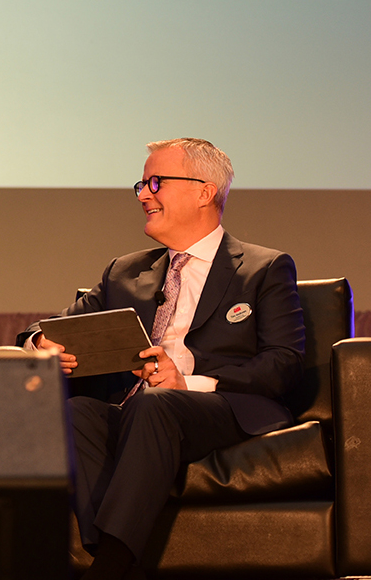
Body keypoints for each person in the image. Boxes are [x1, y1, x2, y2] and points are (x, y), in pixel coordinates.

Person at [21, 138, 305, 580]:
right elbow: (48, 327)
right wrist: (42, 345)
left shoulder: (263, 268)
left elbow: (284, 362)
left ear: (204, 191)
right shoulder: (124, 271)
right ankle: (113, 558)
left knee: (155, 402)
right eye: (140, 184)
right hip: (136, 410)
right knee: (77, 412)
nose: (142, 195)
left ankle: (110, 568)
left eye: (156, 182)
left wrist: (187, 382)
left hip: (220, 407)